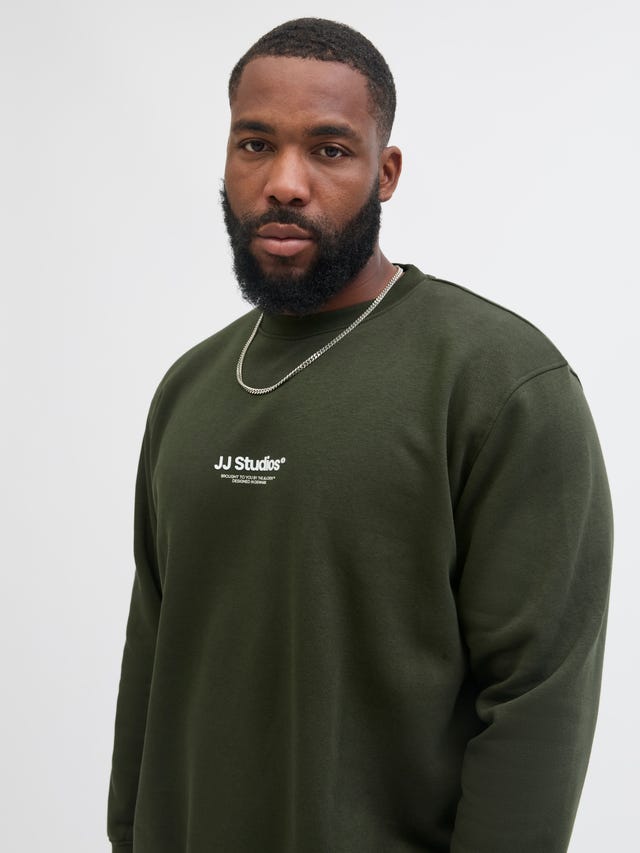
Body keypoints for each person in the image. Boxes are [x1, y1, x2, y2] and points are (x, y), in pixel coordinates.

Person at [107, 17, 613, 853]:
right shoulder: (188, 389)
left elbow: (536, 700)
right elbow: (151, 658)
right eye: (255, 144)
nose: (285, 183)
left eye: (330, 150)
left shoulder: (499, 382)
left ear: (386, 172)